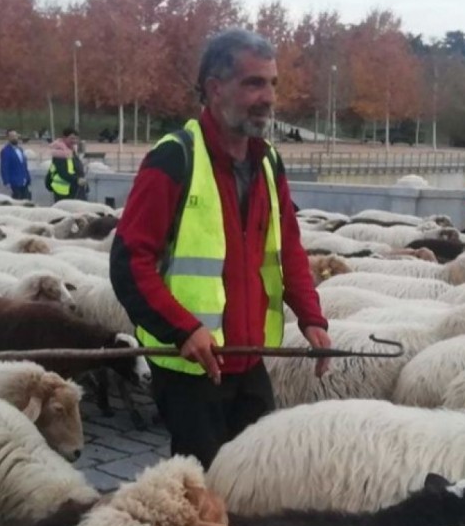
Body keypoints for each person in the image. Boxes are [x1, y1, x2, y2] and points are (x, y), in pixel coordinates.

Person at [110, 28, 331, 469]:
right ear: (215, 89)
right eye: (254, 83)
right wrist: (182, 329)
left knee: (258, 474)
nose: (268, 97)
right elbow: (129, 262)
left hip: (248, 358)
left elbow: (288, 247)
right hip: (190, 365)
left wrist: (311, 318)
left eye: (272, 84)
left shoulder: (268, 161)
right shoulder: (175, 158)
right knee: (205, 483)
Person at [46, 127, 85, 202]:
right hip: (64, 191)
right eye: (72, 138)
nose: (74, 141)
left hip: (74, 188)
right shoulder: (60, 152)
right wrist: (77, 179)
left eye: (76, 139)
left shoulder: (71, 150)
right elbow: (63, 172)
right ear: (64, 138)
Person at [0, 130, 32, 201]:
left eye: (15, 136)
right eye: (12, 136)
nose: (14, 138)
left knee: (26, 201)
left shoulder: (20, 149)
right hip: (14, 183)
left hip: (24, 181)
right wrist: (6, 182)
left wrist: (28, 177)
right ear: (8, 138)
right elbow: (4, 167)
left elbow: (24, 165)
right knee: (17, 201)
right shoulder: (5, 151)